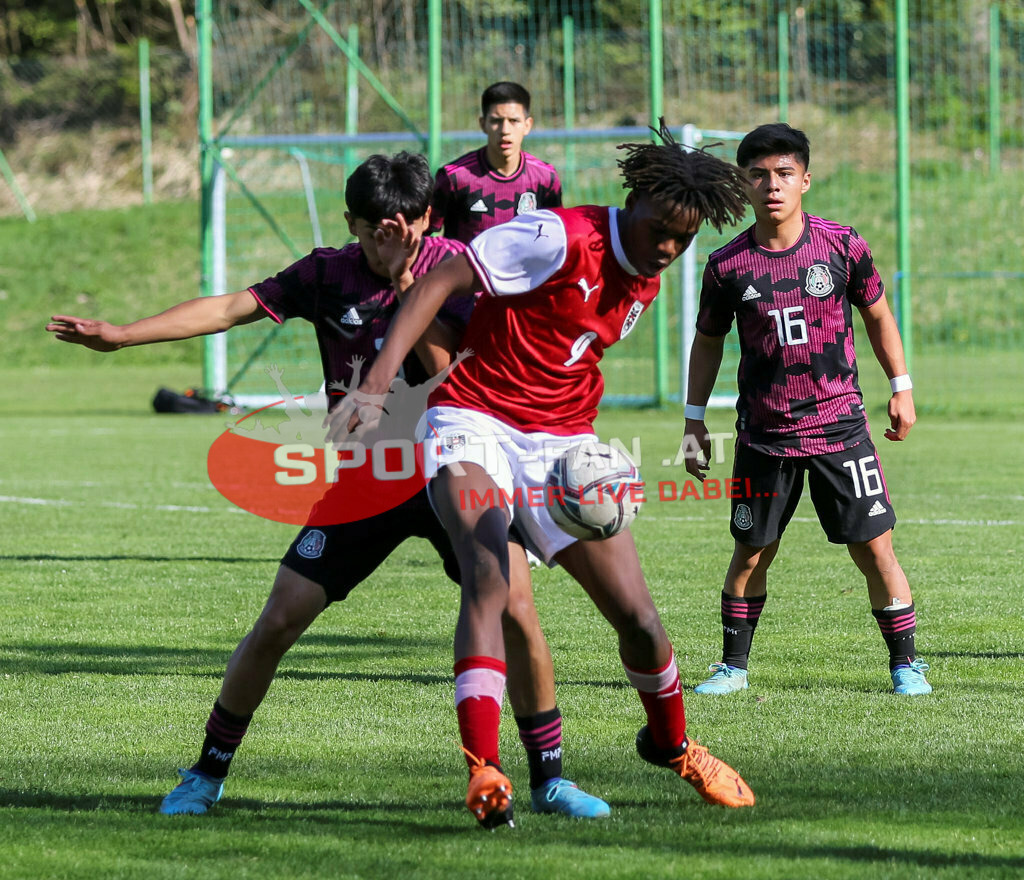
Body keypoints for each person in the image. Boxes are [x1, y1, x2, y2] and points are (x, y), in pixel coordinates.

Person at [45, 151, 608, 819]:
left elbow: (447, 368)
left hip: (458, 470)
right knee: (279, 618)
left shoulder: (466, 265)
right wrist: (124, 334)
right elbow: (231, 307)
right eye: (368, 228)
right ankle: (205, 774)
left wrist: (406, 284)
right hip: (366, 481)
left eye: (395, 227)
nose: (379, 241)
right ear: (351, 222)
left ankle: (549, 780)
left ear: (427, 218)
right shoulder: (326, 274)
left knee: (516, 611)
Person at [334, 121, 757, 829]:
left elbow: (567, 360)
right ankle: (483, 766)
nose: (669, 248)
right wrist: (379, 377)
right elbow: (441, 279)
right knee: (488, 577)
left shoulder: (646, 280)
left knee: (641, 621)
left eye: (683, 240)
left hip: (560, 445)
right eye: (661, 230)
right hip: (472, 422)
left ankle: (674, 746)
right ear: (637, 200)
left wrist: (598, 463)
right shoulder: (557, 237)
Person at [682, 123, 932, 698]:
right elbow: (708, 340)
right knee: (750, 552)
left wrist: (902, 384)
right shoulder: (726, 266)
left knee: (874, 549)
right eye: (759, 175)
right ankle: (732, 668)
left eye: (784, 174)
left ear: (806, 181)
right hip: (765, 437)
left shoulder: (842, 245)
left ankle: (906, 665)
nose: (772, 185)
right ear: (744, 184)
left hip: (839, 429)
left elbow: (878, 316)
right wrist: (694, 420)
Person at [429, 81, 561, 243]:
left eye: (514, 121)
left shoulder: (545, 178)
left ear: (527, 125)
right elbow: (423, 232)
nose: (505, 130)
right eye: (496, 121)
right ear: (483, 124)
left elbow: (554, 238)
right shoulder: (454, 178)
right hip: (467, 269)